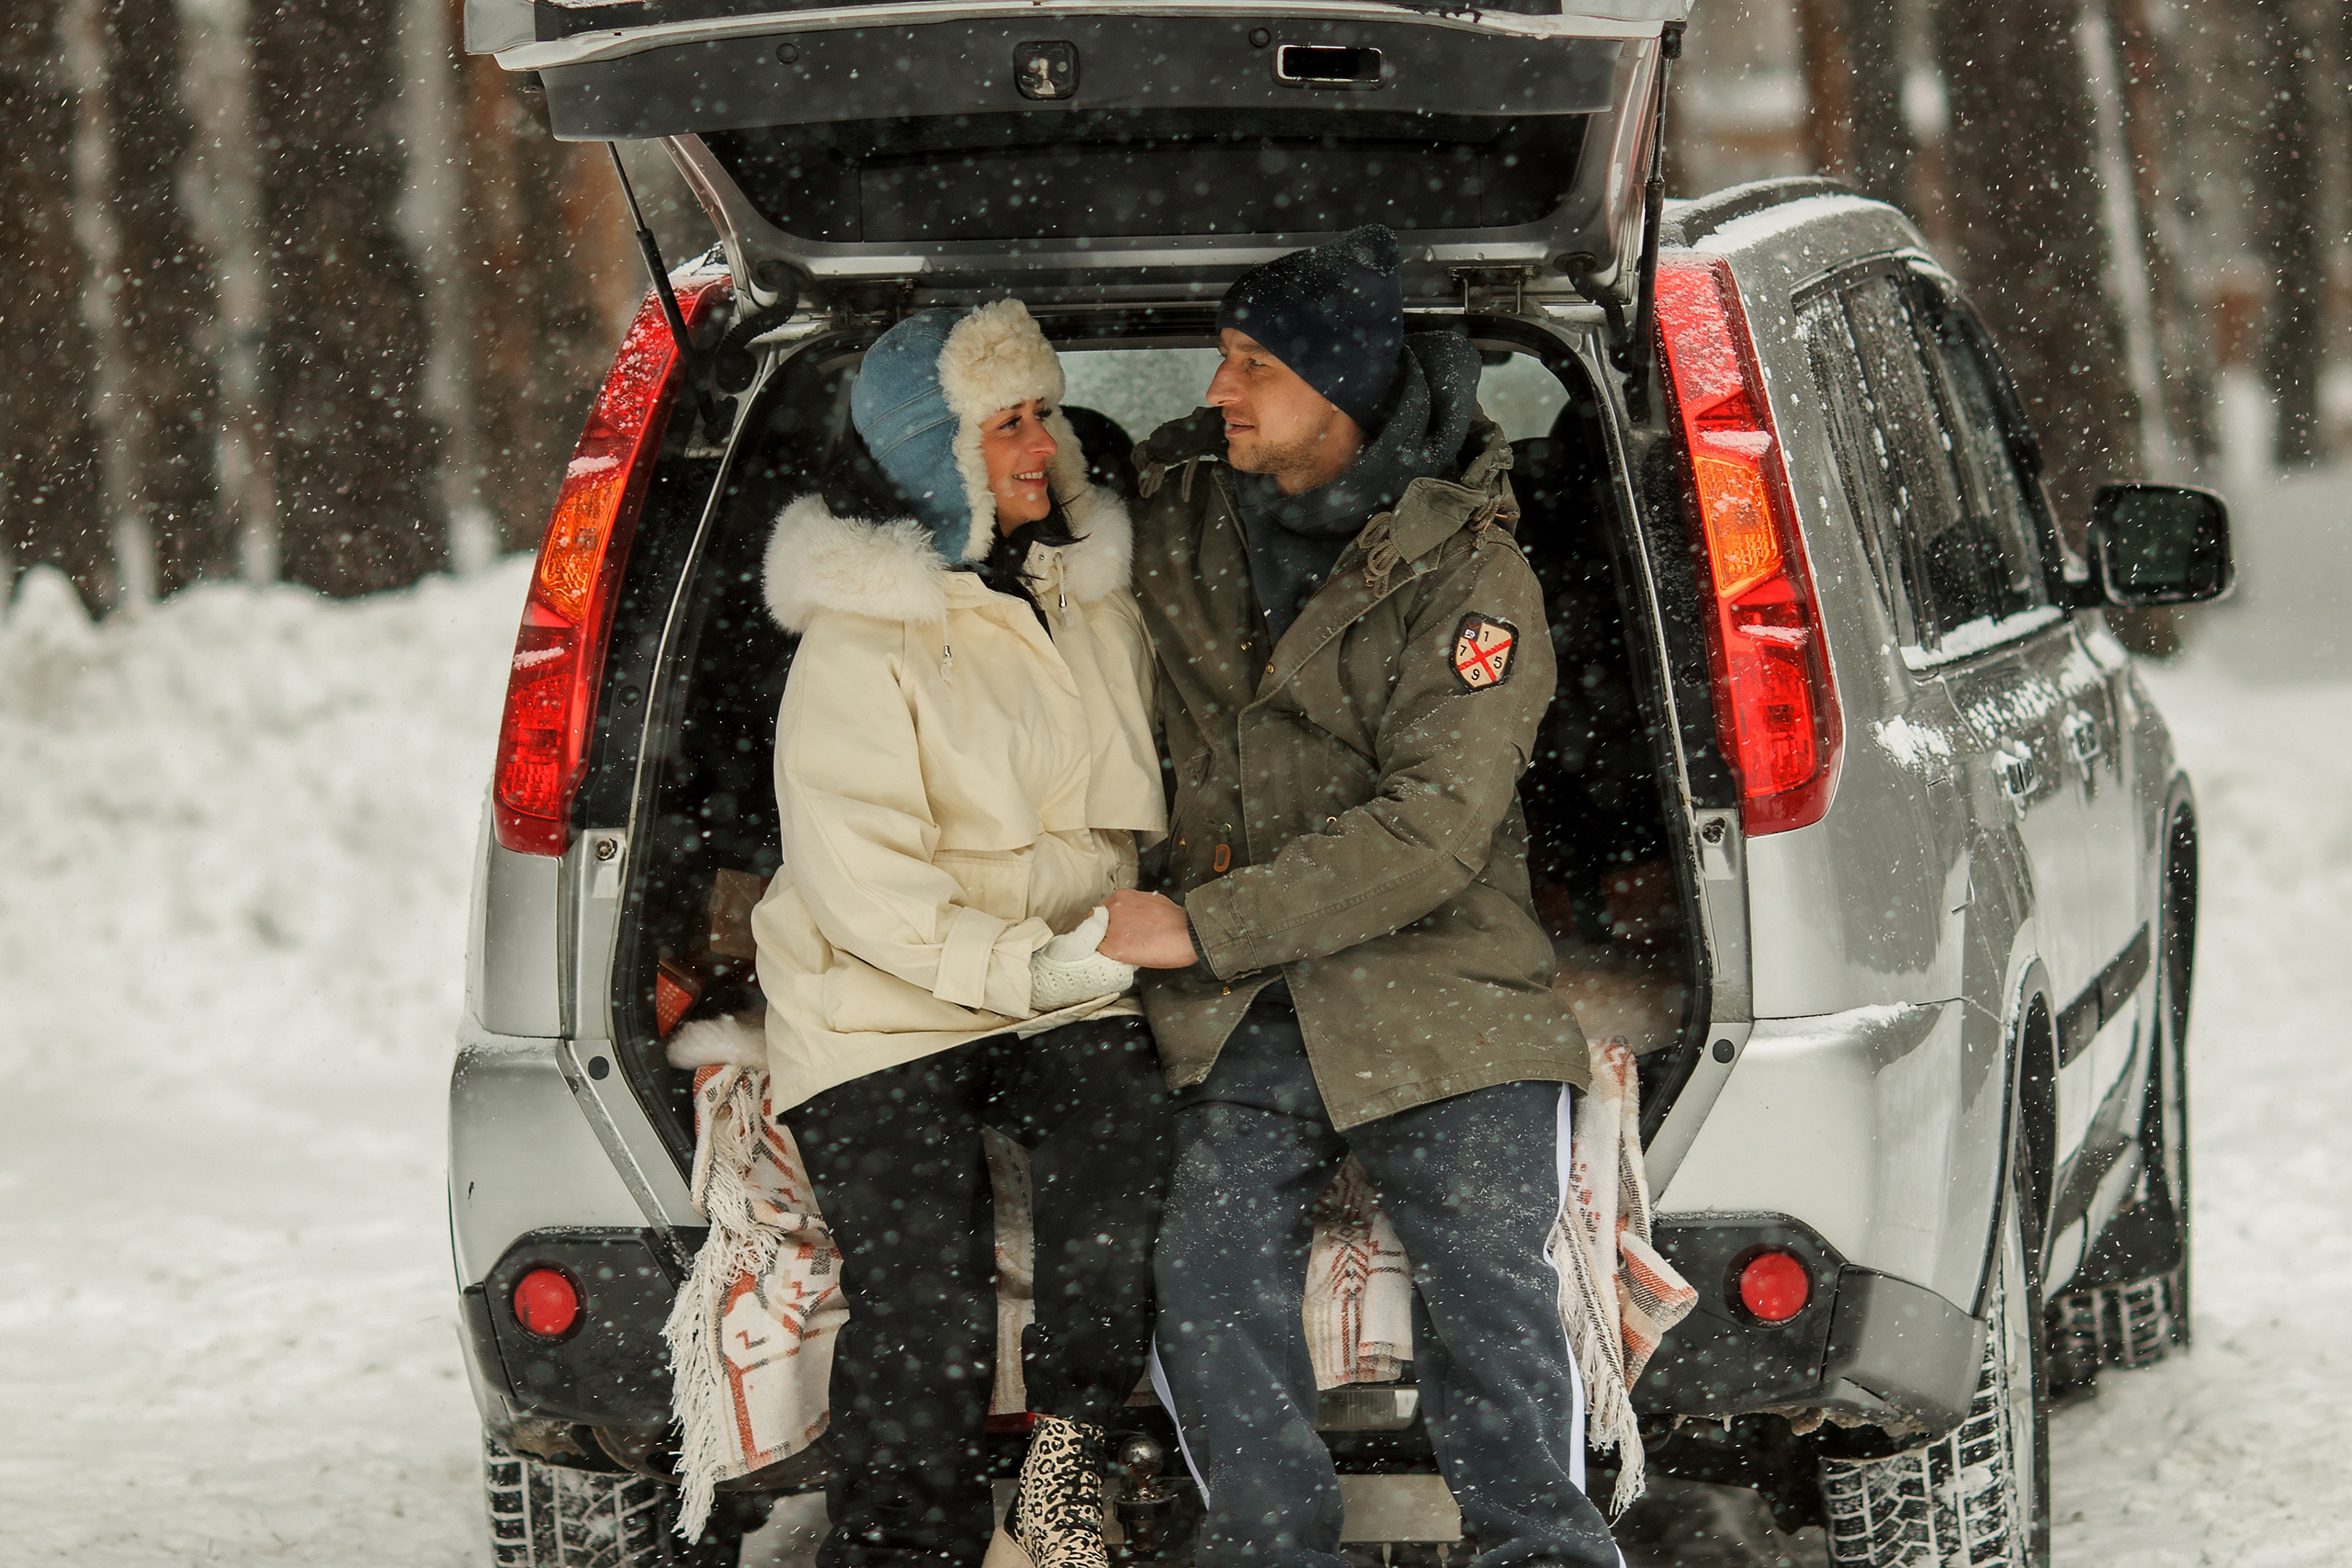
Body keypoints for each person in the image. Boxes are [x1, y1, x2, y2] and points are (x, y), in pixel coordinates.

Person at [1094, 227, 1619, 1568]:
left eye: (1249, 366)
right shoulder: (1173, 513)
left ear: (1340, 391)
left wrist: (1198, 928)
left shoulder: (1475, 577)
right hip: (1246, 1008)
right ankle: (1272, 1551)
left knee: (1492, 1290)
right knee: (1202, 1283)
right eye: (1222, 359)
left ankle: (1545, 1554)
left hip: (1440, 986)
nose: (1216, 393)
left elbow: (1433, 832)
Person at [749, 299, 1172, 1568]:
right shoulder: (856, 641)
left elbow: (1125, 813)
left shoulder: (1087, 599)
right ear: (936, 453)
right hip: (877, 1002)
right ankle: (899, 1545)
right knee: (926, 1296)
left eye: (1044, 412)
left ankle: (1063, 1469)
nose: (1046, 443)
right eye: (1008, 424)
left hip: (1058, 980)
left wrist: (1116, 938)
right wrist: (1051, 961)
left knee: (1123, 1147)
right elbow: (867, 891)